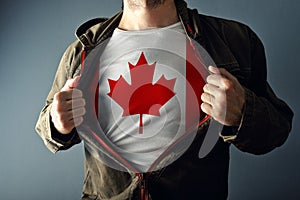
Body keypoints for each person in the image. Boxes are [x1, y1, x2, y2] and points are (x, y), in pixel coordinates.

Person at [35, 0, 294, 199]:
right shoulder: (82, 50)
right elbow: (46, 126)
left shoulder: (234, 40)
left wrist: (242, 112)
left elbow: (277, 131)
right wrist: (57, 123)